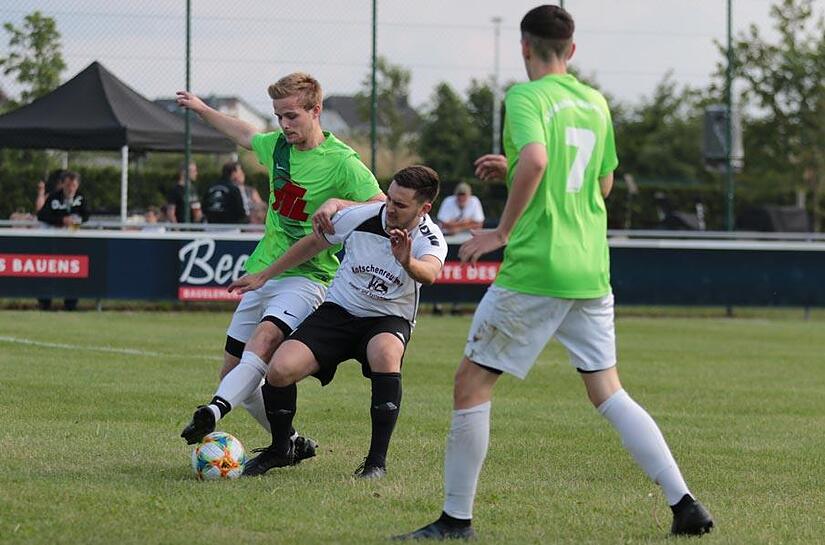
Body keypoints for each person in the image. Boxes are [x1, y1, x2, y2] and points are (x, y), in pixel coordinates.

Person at [395, 5, 713, 540]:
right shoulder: (595, 102)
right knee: (608, 391)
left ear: (524, 47)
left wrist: (500, 231)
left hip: (538, 267)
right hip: (589, 266)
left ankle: (455, 520)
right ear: (572, 50)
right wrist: (516, 166)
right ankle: (685, 504)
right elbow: (601, 184)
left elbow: (540, 160)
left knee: (471, 383)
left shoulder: (525, 96)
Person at [175, 73, 384, 459]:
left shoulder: (342, 162)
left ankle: (214, 410)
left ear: (315, 111)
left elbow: (382, 205)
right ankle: (290, 442)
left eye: (291, 116)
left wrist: (339, 204)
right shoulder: (278, 147)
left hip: (307, 277)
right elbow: (244, 133)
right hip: (261, 272)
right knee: (233, 375)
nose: (284, 125)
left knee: (266, 340)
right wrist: (202, 109)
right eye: (278, 116)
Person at [228, 165, 446, 479]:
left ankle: (375, 463)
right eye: (389, 198)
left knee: (385, 354)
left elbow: (431, 273)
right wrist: (263, 276)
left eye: (400, 204)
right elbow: (313, 243)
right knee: (279, 369)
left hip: (388, 318)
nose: (390, 208)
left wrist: (407, 261)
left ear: (424, 209)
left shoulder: (429, 237)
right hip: (339, 311)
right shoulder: (362, 216)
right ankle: (281, 448)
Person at [36, 171, 89, 311]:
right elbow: (42, 216)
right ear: (62, 184)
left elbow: (87, 216)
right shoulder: (54, 197)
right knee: (48, 270)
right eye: (68, 185)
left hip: (72, 241)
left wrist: (76, 220)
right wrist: (61, 220)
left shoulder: (81, 198)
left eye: (73, 185)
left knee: (73, 272)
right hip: (52, 242)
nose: (71, 189)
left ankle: (70, 304)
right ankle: (45, 303)